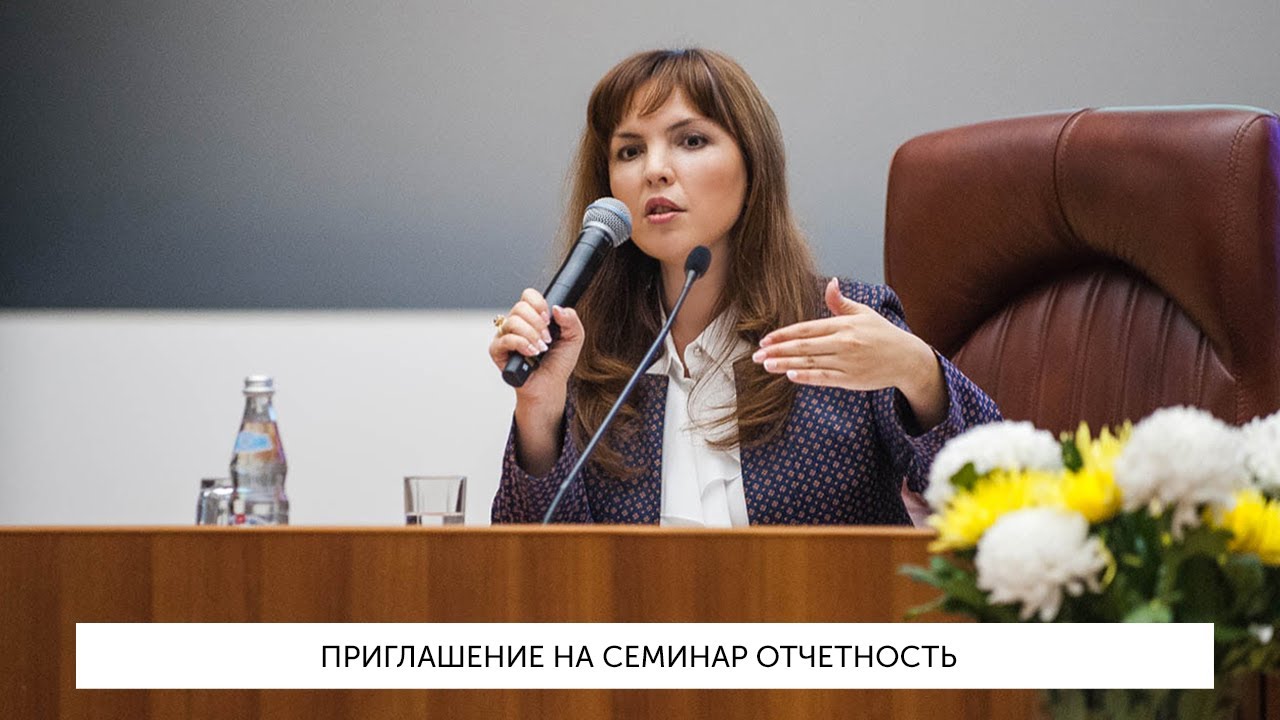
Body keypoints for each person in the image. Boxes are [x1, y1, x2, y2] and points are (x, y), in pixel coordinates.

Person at [488, 48, 1000, 526]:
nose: (654, 170)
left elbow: (999, 501)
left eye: (691, 141)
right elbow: (535, 573)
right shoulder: (585, 357)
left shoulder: (843, 326)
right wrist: (539, 410)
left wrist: (920, 375)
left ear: (752, 167)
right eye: (630, 150)